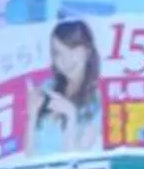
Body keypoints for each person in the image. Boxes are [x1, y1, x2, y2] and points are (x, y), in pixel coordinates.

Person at [29, 19, 102, 155]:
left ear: (87, 51)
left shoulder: (97, 101)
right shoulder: (48, 88)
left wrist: (71, 115)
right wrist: (32, 114)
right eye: (58, 53)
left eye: (73, 50)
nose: (66, 60)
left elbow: (76, 161)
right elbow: (29, 155)